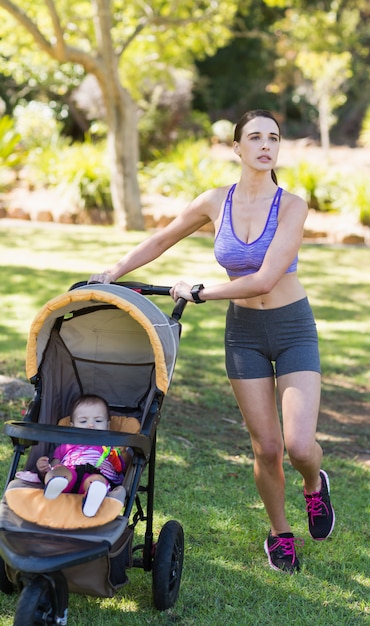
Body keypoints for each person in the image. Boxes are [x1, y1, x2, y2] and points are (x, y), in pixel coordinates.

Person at [89, 109, 335, 571]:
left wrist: (202, 290)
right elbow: (162, 239)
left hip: (291, 327)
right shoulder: (214, 201)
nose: (266, 145)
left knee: (299, 446)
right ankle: (280, 534)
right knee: (266, 447)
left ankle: (313, 487)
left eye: (274, 138)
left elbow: (264, 279)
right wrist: (113, 273)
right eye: (256, 137)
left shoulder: (293, 205)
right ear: (237, 148)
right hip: (243, 335)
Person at [36, 394, 127, 517]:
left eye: (98, 421)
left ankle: (92, 499)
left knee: (97, 482)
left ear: (108, 426)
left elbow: (122, 466)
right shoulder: (66, 446)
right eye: (83, 421)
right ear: (72, 426)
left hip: (96, 475)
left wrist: (121, 455)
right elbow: (53, 465)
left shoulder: (109, 447)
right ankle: (54, 485)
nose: (91, 425)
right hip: (70, 473)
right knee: (59, 470)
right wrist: (44, 469)